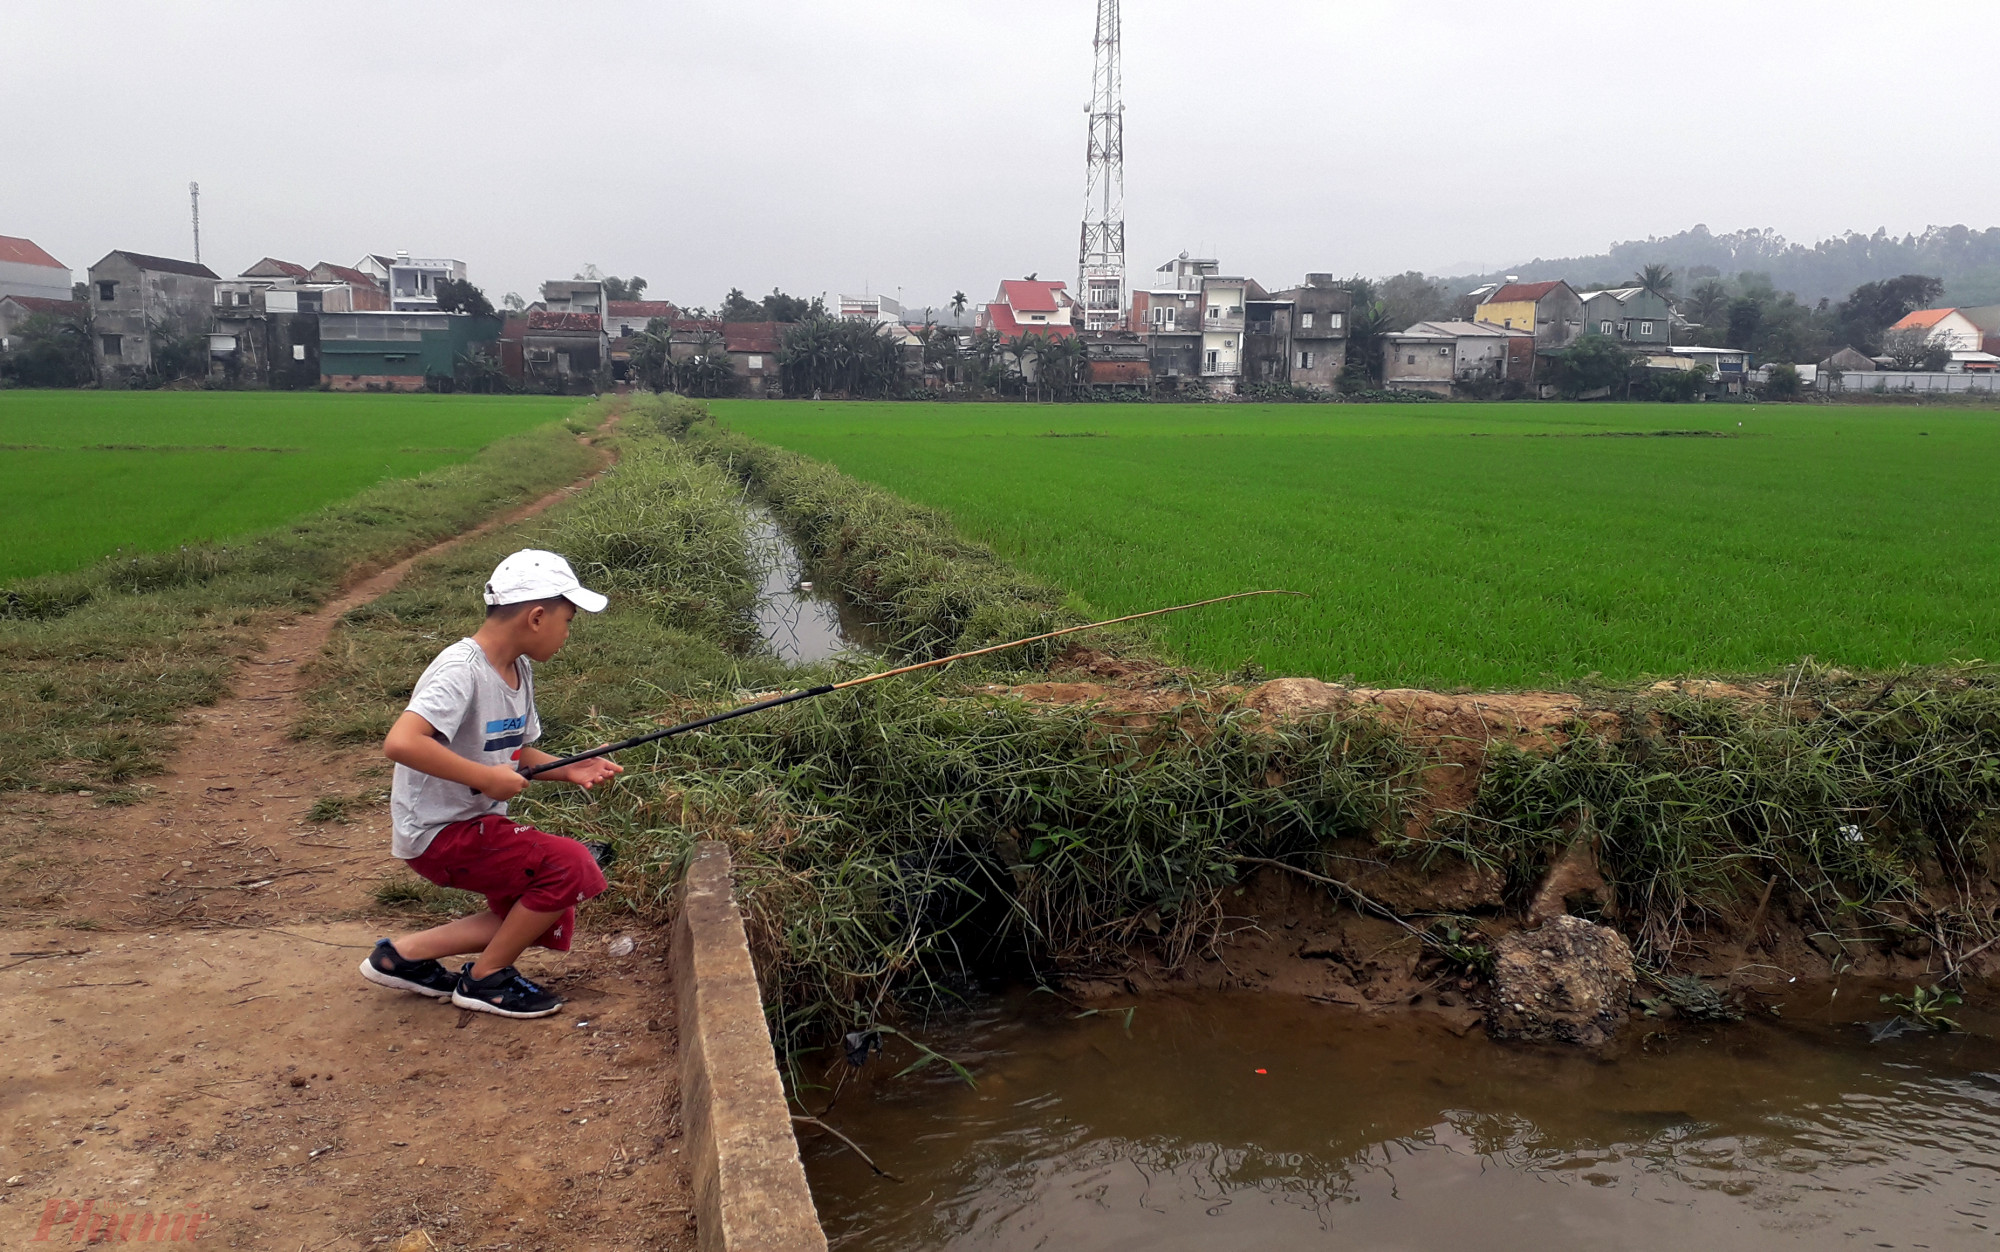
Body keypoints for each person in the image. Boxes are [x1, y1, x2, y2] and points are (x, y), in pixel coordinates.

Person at [359, 550, 623, 1018]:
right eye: (568, 620)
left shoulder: (518, 671)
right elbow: (401, 742)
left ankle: (400, 957)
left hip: (472, 823)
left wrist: (567, 768)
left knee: (542, 910)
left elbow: (513, 752)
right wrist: (485, 779)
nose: (568, 633)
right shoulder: (461, 669)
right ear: (537, 617)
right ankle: (484, 980)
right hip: (439, 832)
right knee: (572, 866)